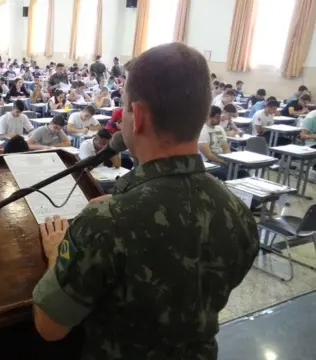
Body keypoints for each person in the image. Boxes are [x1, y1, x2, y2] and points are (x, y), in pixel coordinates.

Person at [32, 43, 259, 359]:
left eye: (123, 105)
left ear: (137, 116)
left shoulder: (105, 222)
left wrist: (58, 253)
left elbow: (50, 327)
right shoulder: (239, 213)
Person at [199, 106, 249, 180]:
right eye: (217, 117)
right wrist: (223, 162)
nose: (219, 119)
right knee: (228, 175)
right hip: (209, 162)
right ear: (209, 117)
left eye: (220, 116)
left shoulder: (219, 128)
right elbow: (208, 154)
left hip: (221, 159)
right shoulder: (202, 130)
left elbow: (225, 147)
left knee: (243, 173)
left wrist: (229, 159)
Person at [301, 109, 316, 179]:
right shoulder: (311, 118)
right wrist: (314, 136)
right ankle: (314, 170)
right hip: (311, 144)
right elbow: (303, 135)